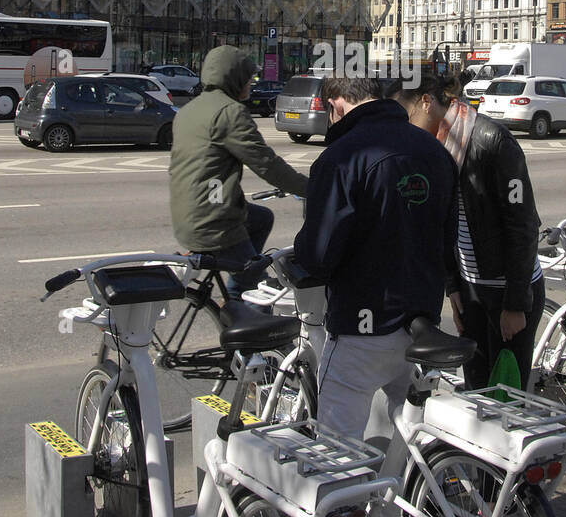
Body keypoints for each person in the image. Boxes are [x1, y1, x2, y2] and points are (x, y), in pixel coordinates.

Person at [291, 74, 458, 443]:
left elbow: (318, 256)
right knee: (417, 429)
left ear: (335, 105)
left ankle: (344, 500)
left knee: (338, 444)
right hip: (420, 322)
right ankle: (436, 488)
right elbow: (449, 241)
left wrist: (301, 250)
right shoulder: (434, 150)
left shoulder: (340, 157)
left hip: (363, 325)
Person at [391, 74, 543, 391]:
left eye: (405, 117)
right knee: (476, 388)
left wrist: (514, 304)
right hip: (472, 289)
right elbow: (447, 223)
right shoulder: (436, 148)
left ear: (426, 102)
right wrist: (454, 287)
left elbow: (523, 224)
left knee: (506, 395)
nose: (403, 128)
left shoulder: (492, 141)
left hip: (507, 289)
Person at [168, 46, 310, 299]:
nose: (252, 83)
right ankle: (245, 299)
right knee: (261, 292)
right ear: (234, 78)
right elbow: (267, 165)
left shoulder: (190, 109)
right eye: (249, 78)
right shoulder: (230, 113)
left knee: (262, 218)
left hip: (186, 215)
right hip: (213, 224)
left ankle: (238, 282)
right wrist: (312, 189)